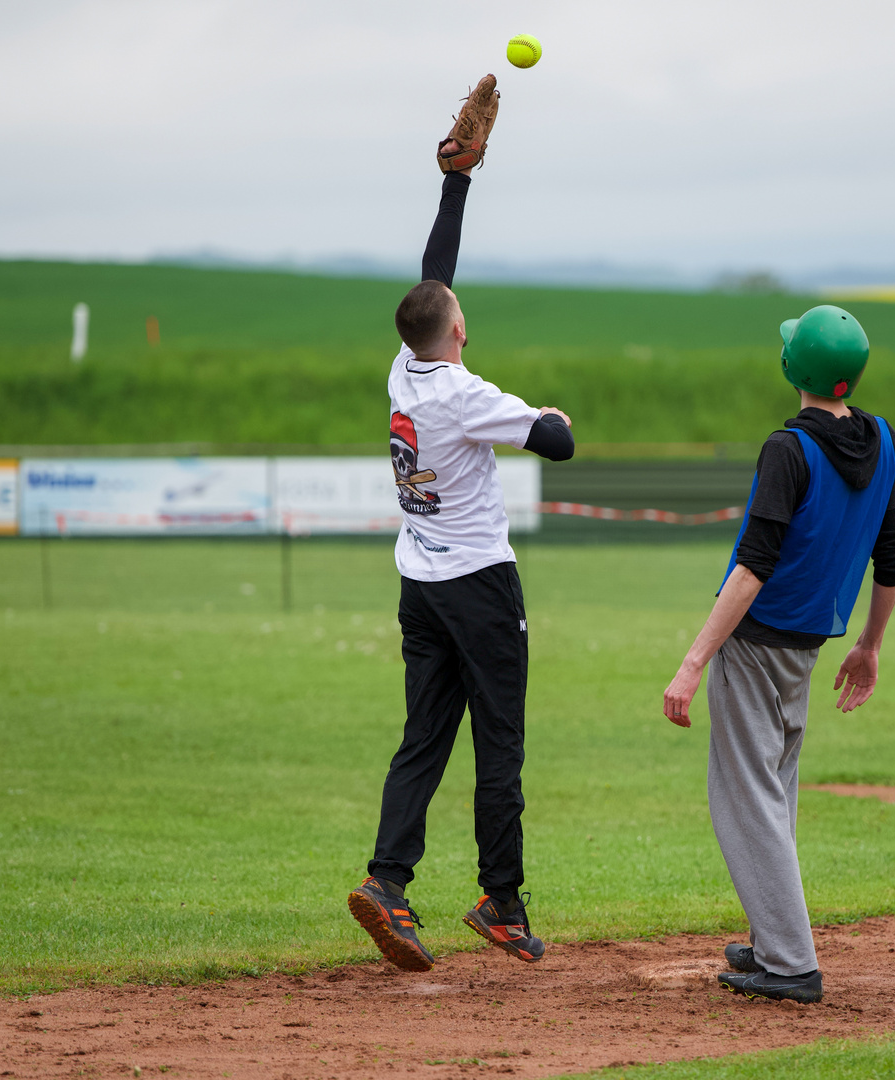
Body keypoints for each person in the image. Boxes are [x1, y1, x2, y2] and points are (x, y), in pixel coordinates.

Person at [349, 75, 575, 973]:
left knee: (423, 739)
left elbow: (432, 279)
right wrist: (551, 413)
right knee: (501, 745)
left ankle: (388, 885)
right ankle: (501, 902)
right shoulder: (463, 390)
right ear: (454, 333)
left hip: (419, 582)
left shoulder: (404, 370)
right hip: (480, 583)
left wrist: (456, 180)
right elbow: (555, 443)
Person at [662, 305, 895, 1004]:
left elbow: (751, 567)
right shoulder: (882, 438)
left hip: (756, 641)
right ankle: (773, 939)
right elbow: (891, 557)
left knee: (745, 798)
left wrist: (692, 661)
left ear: (790, 369)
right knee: (773, 794)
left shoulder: (787, 448)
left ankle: (790, 964)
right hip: (806, 646)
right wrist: (869, 644)